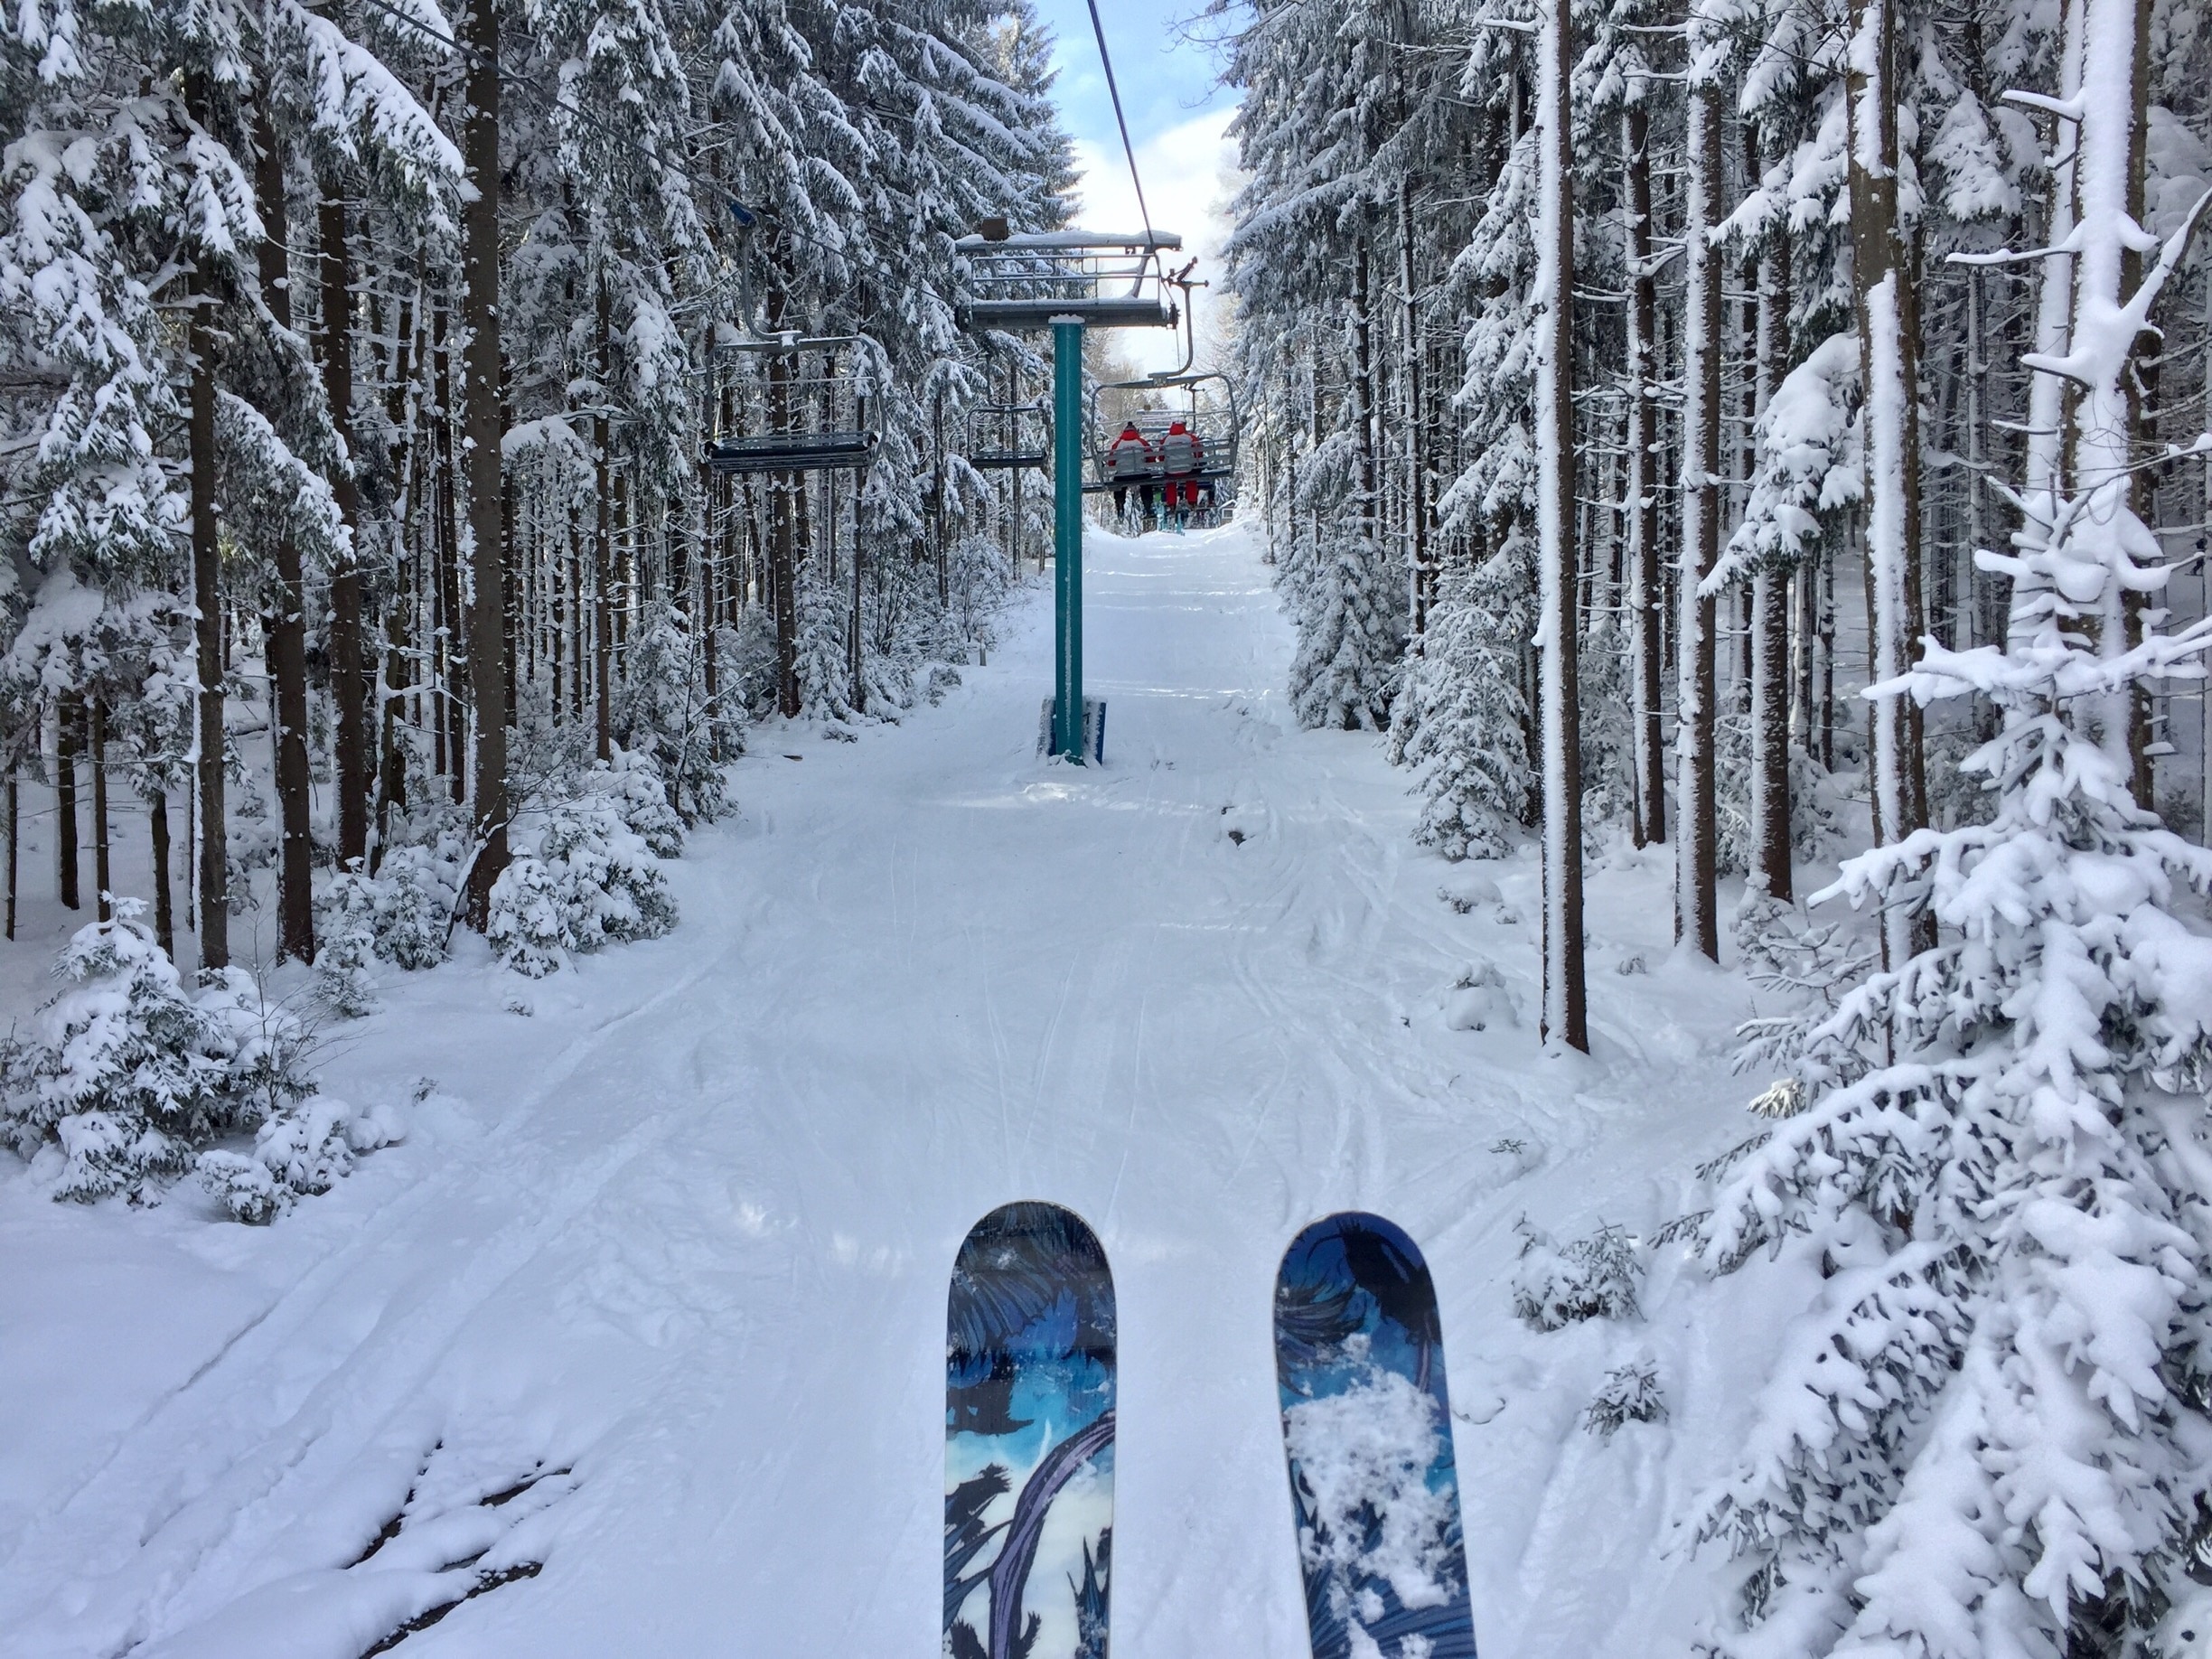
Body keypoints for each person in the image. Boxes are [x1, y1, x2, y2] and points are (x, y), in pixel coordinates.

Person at [1107, 422, 1156, 527]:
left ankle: (1120, 504)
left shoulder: (1117, 444)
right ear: (1136, 432)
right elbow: (1151, 458)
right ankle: (1147, 506)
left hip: (1122, 475)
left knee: (1119, 484)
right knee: (1146, 483)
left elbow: (1111, 463)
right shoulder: (1142, 442)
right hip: (1141, 473)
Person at [1160, 419, 1199, 531]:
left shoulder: (1166, 440)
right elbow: (1198, 452)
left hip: (1171, 470)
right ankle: (1191, 502)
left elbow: (1161, 456)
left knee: (1170, 482)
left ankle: (1171, 504)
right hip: (1188, 469)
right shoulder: (1190, 438)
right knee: (1191, 480)